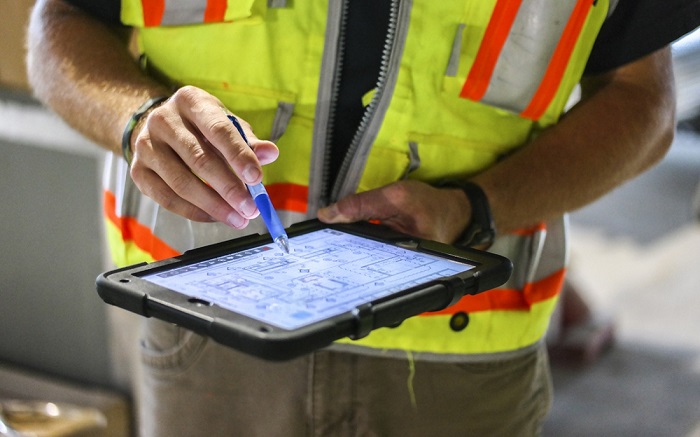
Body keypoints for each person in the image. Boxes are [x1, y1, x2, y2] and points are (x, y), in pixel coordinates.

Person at [26, 0, 699, 435]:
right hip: (206, 327)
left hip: (459, 349)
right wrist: (135, 118)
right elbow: (58, 23)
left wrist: (477, 205)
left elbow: (644, 102)